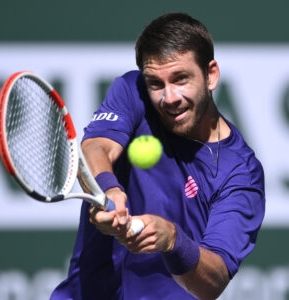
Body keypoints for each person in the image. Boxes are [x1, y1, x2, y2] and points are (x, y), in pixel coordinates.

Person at [50, 12, 265, 300]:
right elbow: (94, 148)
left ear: (211, 74)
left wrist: (172, 240)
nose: (170, 97)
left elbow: (212, 281)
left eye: (181, 79)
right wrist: (109, 189)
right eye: (156, 83)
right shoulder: (132, 91)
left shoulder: (241, 173)